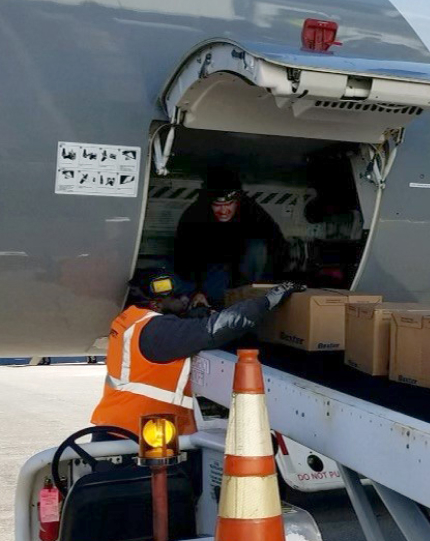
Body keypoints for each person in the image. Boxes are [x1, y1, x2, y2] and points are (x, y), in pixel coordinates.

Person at [91, 269, 304, 436]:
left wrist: (193, 315)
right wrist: (267, 301)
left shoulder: (132, 319)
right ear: (155, 303)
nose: (185, 300)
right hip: (138, 436)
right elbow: (216, 329)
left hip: (122, 427)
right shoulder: (157, 331)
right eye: (178, 298)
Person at [174, 167, 287, 308]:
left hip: (244, 268)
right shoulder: (193, 217)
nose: (223, 211)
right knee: (212, 299)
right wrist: (196, 292)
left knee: (257, 249)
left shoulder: (252, 212)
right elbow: (183, 259)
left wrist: (268, 285)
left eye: (229, 204)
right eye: (217, 205)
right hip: (212, 268)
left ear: (237, 201)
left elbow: (277, 244)